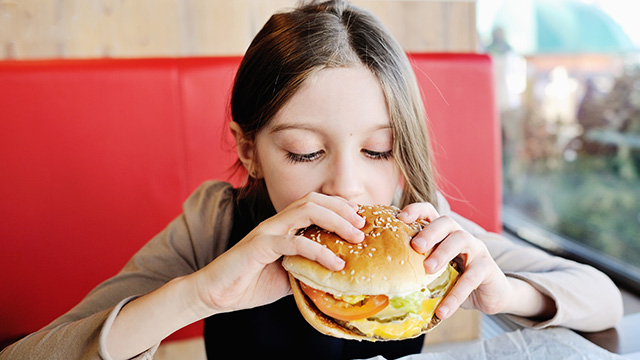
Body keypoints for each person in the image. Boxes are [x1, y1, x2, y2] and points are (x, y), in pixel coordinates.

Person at [0, 1, 623, 359]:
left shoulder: (419, 224)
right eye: (302, 153)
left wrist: (505, 294)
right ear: (249, 150)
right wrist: (202, 295)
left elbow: (602, 301)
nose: (347, 186)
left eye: (379, 150)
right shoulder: (216, 221)